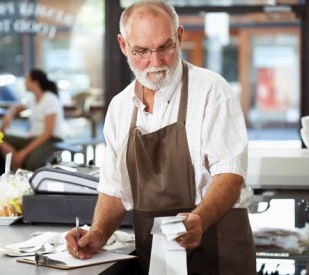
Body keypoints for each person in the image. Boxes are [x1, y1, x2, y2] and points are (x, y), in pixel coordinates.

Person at [65, 1, 256, 274]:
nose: (155, 62)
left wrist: (199, 219)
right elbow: (115, 190)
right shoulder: (120, 107)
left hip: (217, 248)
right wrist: (97, 233)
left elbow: (229, 176)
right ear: (123, 45)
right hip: (157, 259)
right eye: (141, 51)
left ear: (179, 37)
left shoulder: (212, 91)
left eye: (165, 47)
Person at [0, 68, 65, 174]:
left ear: (35, 82)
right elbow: (17, 108)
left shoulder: (50, 99)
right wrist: (9, 115)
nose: (24, 82)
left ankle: (17, 168)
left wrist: (23, 153)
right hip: (33, 138)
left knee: (31, 164)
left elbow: (47, 134)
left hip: (51, 140)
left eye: (27, 79)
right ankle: (13, 168)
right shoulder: (33, 100)